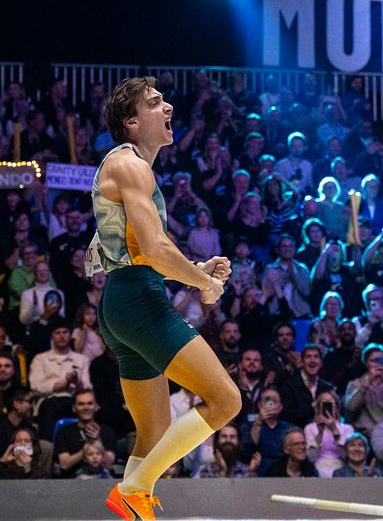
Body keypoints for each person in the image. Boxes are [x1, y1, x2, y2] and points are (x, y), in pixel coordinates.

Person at [95, 77, 240, 520]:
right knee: (226, 401)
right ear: (132, 121)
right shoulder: (130, 165)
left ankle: (135, 501)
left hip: (124, 299)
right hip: (137, 301)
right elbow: (156, 251)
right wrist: (204, 284)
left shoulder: (131, 166)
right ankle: (134, 489)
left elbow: (146, 250)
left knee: (153, 433)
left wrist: (196, 268)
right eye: (156, 102)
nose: (168, 106)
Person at [53, 389, 117, 478]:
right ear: (74, 408)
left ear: (96, 407)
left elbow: (109, 465)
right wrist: (87, 447)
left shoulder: (107, 432)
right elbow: (64, 465)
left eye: (90, 403)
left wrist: (98, 440)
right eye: (81, 404)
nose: (86, 407)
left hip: (102, 480)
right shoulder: (64, 432)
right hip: (73, 481)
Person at [302, 390, 353, 478]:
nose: (327, 406)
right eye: (324, 403)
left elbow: (346, 456)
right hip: (317, 470)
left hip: (341, 470)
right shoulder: (309, 428)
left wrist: (334, 430)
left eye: (330, 403)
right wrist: (320, 433)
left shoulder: (347, 428)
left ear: (336, 407)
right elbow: (311, 458)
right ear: (318, 407)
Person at [194, 424, 260, 478]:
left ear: (238, 442)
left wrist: (251, 472)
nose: (228, 440)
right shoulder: (207, 471)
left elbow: (250, 490)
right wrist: (223, 471)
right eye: (224, 436)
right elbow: (215, 491)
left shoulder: (246, 470)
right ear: (217, 442)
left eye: (232, 436)